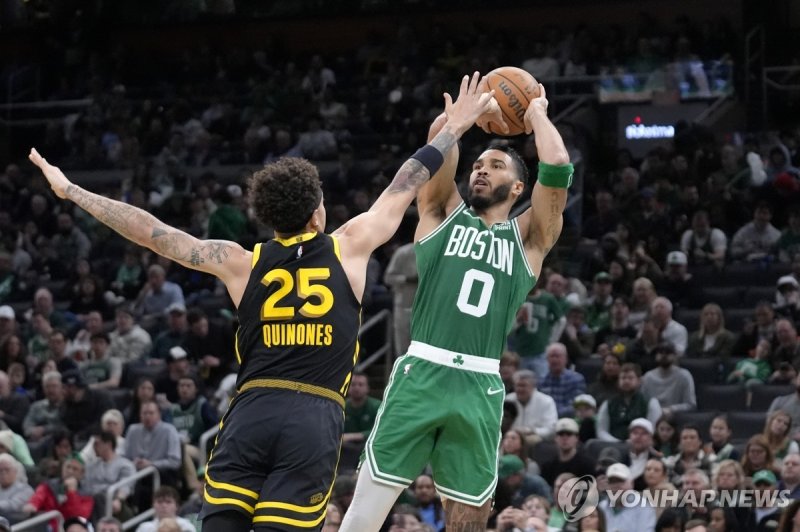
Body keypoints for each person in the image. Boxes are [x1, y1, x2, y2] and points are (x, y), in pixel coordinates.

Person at [28, 71, 496, 532]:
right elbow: (407, 181)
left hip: (252, 411)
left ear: (270, 218)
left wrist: (72, 191)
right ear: (317, 213)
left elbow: (154, 233)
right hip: (312, 418)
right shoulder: (350, 245)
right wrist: (456, 126)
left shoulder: (241, 262)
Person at [341, 79, 573, 531]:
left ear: (518, 187)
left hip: (480, 384)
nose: (481, 170)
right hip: (422, 372)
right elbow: (437, 142)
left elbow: (558, 166)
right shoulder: (441, 213)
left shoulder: (529, 239)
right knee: (361, 518)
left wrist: (536, 114)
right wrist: (465, 116)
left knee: (468, 523)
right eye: (478, 164)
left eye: (496, 166)